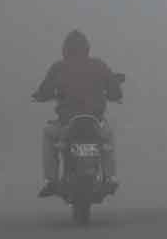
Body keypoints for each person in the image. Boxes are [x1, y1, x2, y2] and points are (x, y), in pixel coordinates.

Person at [32, 30, 122, 197]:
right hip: (95, 122)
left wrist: (40, 96)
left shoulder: (58, 67)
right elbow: (115, 92)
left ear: (65, 49)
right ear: (87, 48)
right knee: (107, 138)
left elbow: (44, 91)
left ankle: (50, 180)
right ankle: (110, 177)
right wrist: (114, 93)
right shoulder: (99, 65)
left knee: (48, 133)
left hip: (67, 124)